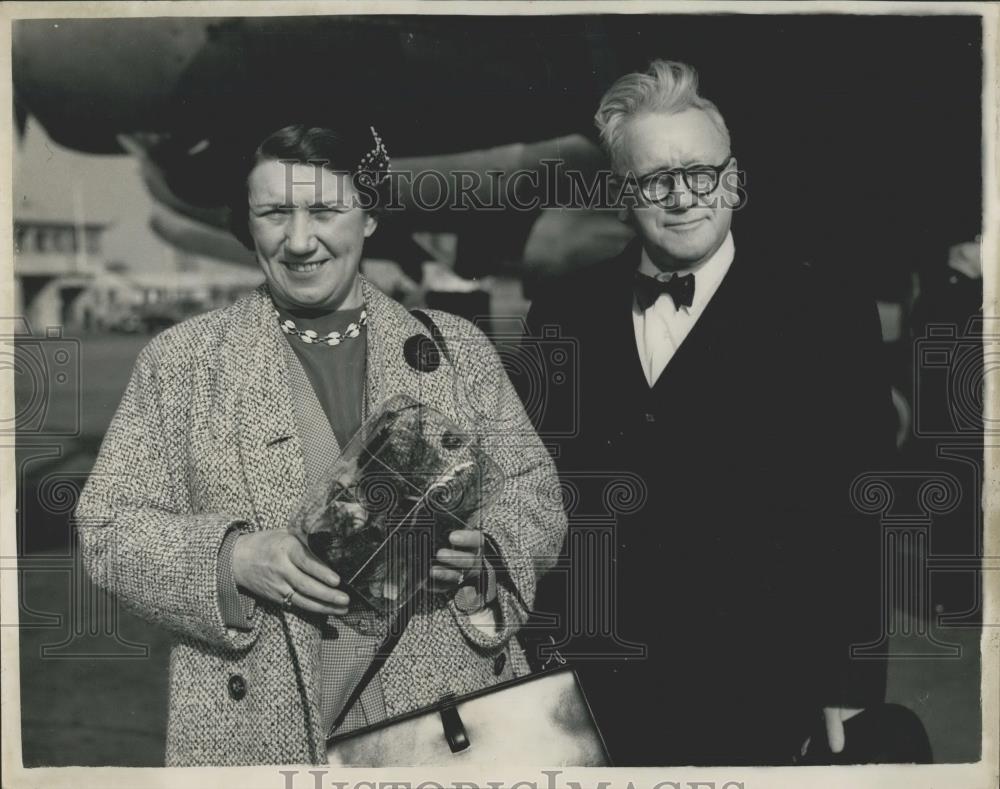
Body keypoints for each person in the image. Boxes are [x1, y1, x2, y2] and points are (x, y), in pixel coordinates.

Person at [76, 124, 566, 766]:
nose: (300, 240)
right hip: (256, 736)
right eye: (275, 212)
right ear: (248, 222)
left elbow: (535, 492)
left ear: (368, 218)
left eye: (327, 211)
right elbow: (106, 528)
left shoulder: (457, 350)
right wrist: (228, 559)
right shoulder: (182, 362)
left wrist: (489, 562)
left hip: (445, 730)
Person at [520, 61, 896, 765]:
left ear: (733, 179)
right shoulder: (563, 313)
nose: (684, 195)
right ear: (620, 193)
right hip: (591, 686)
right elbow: (540, 493)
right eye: (657, 178)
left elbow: (861, 508)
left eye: (703, 172)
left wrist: (849, 681)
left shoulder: (825, 312)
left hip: (759, 685)